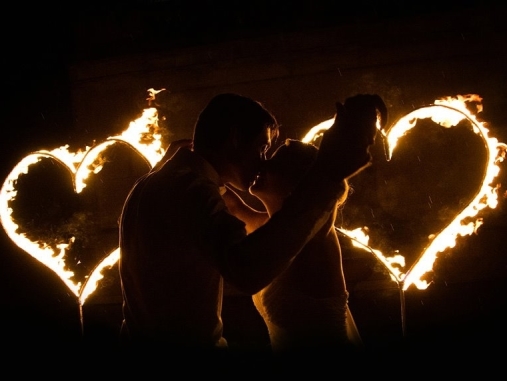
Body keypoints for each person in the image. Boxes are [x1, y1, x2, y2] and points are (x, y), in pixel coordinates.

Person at [118, 92, 386, 352]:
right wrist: (329, 170)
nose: (263, 161)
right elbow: (246, 269)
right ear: (235, 138)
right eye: (262, 147)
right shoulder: (193, 190)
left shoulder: (156, 182)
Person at [223, 140, 363, 354]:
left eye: (275, 162)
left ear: (298, 185)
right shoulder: (276, 230)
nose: (262, 165)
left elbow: (326, 188)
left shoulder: (315, 236)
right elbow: (231, 205)